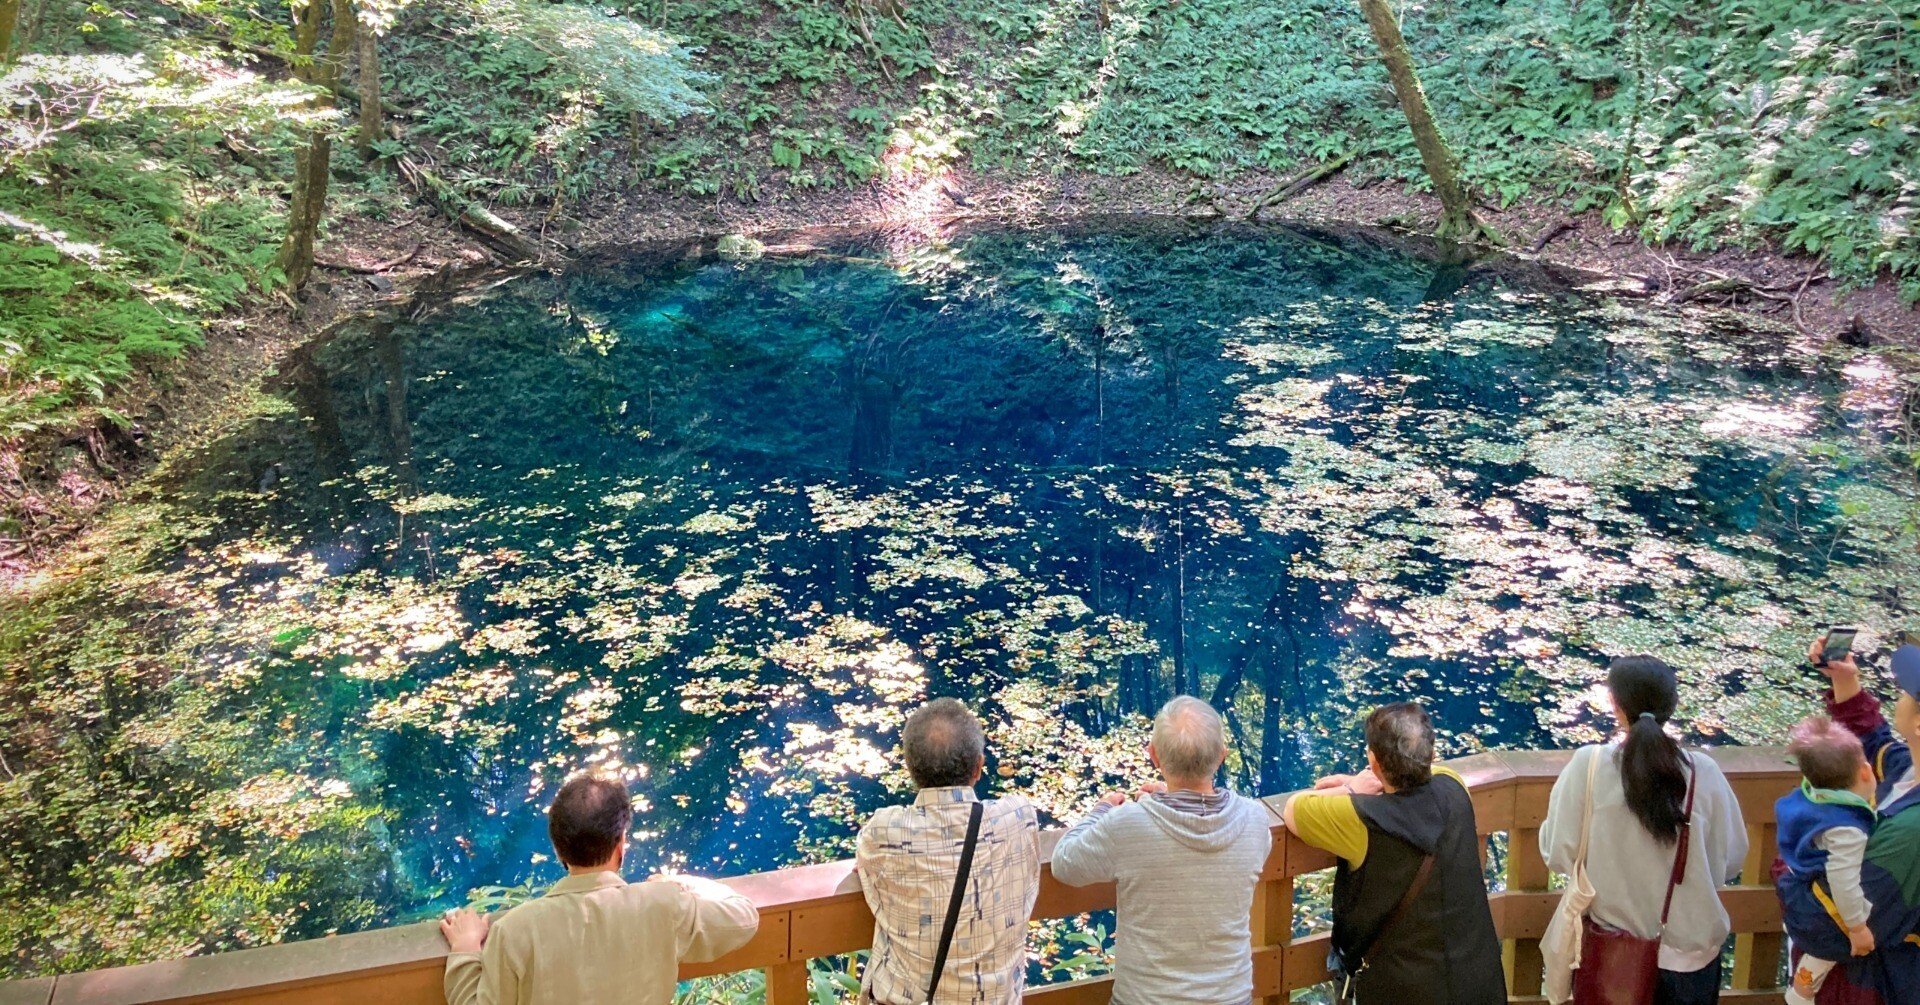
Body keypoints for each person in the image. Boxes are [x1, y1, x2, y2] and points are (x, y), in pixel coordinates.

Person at [438, 772, 759, 1005]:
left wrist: (466, 948)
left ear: (558, 850)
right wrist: (685, 882)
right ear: (621, 845)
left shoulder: (515, 931)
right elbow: (743, 917)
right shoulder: (663, 905)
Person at [1540, 655, 1747, 1004]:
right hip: (1690, 959)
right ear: (1671, 706)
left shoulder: (1589, 767)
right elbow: (1731, 861)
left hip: (1614, 955)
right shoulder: (1703, 773)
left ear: (1615, 705)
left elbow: (1558, 854)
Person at [1049, 696, 1275, 1005]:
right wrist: (1173, 801)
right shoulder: (1254, 818)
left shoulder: (1127, 825)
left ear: (1154, 755)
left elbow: (1064, 864)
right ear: (1222, 756)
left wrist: (1100, 810)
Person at [1282, 701, 1505, 1004]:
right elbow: (1431, 775)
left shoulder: (1364, 821)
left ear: (1373, 762)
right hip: (1476, 982)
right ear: (1432, 752)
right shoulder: (1454, 789)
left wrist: (1352, 788)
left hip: (1401, 989)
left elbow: (1295, 809)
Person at [856, 697, 1040, 1004]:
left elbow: (864, 859)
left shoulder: (884, 831)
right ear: (979, 767)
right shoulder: (1018, 817)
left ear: (910, 768)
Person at [1808, 637, 1920, 1001]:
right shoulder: (1908, 771)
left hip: (1876, 983)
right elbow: (1874, 742)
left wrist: (1792, 860)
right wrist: (1844, 680)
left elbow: (1831, 924)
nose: (1897, 696)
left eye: (1904, 692)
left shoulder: (1911, 830)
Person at [1776, 716, 1879, 1004]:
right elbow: (1843, 882)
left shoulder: (1812, 793)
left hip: (1795, 879)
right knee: (1828, 947)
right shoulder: (1846, 830)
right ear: (1865, 772)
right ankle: (1800, 994)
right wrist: (1857, 928)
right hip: (1817, 902)